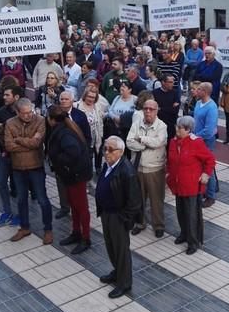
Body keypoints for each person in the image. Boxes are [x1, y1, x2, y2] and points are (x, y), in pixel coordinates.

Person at [96, 136, 142, 299]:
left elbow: (135, 201)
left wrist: (124, 219)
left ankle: (124, 283)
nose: (106, 153)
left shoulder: (126, 172)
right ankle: (117, 272)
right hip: (107, 213)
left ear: (121, 152)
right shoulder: (108, 165)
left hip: (118, 217)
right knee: (111, 246)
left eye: (110, 150)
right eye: (105, 149)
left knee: (121, 250)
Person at [4, 98, 52, 244]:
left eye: (30, 112)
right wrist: (27, 143)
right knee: (21, 199)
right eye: (24, 113)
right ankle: (24, 227)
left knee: (43, 199)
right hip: (18, 168)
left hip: (36, 166)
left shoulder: (40, 120)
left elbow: (37, 143)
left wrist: (18, 139)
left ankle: (48, 229)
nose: (28, 115)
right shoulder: (10, 123)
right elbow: (9, 146)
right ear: (17, 112)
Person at [46, 106, 92, 254]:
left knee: (81, 207)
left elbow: (73, 152)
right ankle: (76, 232)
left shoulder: (64, 133)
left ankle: (86, 238)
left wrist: (58, 160)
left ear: (52, 119)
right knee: (74, 205)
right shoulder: (64, 128)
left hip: (76, 175)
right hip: (72, 175)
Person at [167, 116, 215, 255]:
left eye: (179, 128)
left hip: (191, 186)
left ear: (188, 130)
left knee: (191, 215)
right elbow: (170, 161)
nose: (176, 129)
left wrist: (206, 174)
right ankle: (184, 233)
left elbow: (210, 160)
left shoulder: (196, 143)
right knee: (180, 212)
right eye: (177, 126)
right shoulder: (173, 142)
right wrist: (168, 174)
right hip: (177, 184)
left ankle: (193, 241)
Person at [126, 100, 168, 237]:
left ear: (157, 110)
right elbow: (129, 142)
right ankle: (140, 222)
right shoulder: (137, 123)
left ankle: (158, 225)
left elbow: (158, 142)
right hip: (138, 167)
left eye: (151, 109)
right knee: (139, 199)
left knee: (156, 199)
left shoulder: (162, 126)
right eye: (146, 109)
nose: (148, 111)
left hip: (155, 168)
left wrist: (141, 139)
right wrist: (144, 146)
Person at [53, 91, 91, 220]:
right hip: (61, 159)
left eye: (66, 99)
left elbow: (86, 136)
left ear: (72, 101)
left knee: (78, 188)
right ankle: (64, 207)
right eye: (61, 99)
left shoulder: (80, 116)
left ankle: (77, 208)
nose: (63, 101)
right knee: (61, 184)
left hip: (77, 159)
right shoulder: (55, 115)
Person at [0, 85, 21, 227]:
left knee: (18, 185)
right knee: (0, 181)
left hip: (18, 155)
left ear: (16, 97)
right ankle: (7, 211)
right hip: (3, 153)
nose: (4, 97)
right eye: (4, 95)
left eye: (7, 95)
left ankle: (20, 213)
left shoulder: (23, 112)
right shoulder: (0, 113)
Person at [75, 86, 109, 180]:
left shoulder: (97, 107)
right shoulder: (77, 106)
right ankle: (85, 181)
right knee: (86, 162)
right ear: (85, 95)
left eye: (93, 97)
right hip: (83, 140)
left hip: (96, 139)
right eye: (89, 96)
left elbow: (100, 120)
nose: (91, 99)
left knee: (96, 158)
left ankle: (90, 178)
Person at [194, 82, 219, 207]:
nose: (196, 91)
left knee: (209, 168)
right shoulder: (198, 103)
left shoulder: (212, 107)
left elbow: (209, 130)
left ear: (205, 92)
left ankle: (211, 195)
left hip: (206, 141)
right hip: (197, 139)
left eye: (199, 89)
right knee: (199, 166)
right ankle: (203, 190)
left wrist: (196, 136)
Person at [153, 74, 180, 140]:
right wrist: (170, 108)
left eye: (173, 82)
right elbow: (154, 110)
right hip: (158, 125)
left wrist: (161, 109)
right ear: (163, 82)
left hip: (170, 125)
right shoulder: (155, 93)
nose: (172, 84)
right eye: (170, 82)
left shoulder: (175, 93)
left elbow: (175, 110)